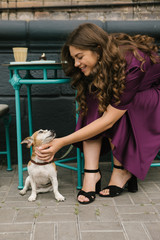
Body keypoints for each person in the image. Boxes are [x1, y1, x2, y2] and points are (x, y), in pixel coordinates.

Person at [35, 23, 160, 204]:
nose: (76, 64)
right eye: (74, 59)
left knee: (120, 105)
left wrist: (61, 142)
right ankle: (91, 173)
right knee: (94, 96)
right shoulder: (105, 60)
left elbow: (109, 120)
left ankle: (122, 170)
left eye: (79, 57)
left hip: (153, 95)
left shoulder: (133, 62)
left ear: (98, 49)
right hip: (131, 93)